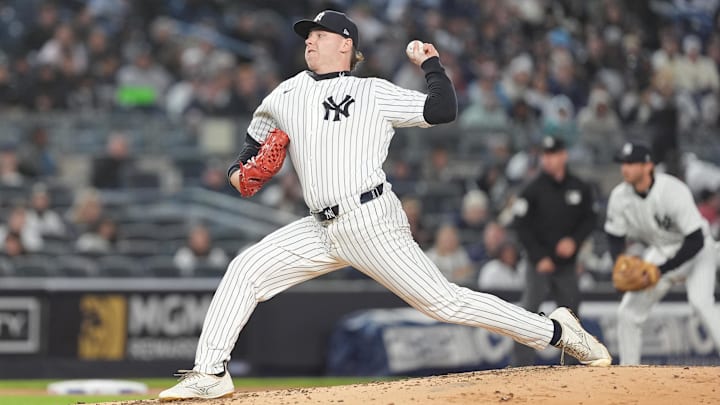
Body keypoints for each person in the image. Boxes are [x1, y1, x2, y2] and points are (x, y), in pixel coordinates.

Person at [159, 10, 611, 400]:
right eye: (306, 36)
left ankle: (556, 332)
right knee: (244, 270)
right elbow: (250, 147)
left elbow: (441, 110)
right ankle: (210, 374)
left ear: (345, 44)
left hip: (371, 219)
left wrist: (432, 63)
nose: (310, 41)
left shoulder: (372, 91)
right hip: (320, 228)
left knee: (445, 304)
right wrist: (240, 172)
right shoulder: (285, 94)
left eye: (318, 35)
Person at [604, 141, 720, 365]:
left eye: (631, 163)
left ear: (648, 166)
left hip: (697, 251)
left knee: (700, 303)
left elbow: (695, 240)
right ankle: (629, 373)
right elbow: (614, 236)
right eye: (623, 163)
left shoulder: (672, 190)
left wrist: (660, 269)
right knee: (627, 313)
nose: (625, 168)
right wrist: (619, 262)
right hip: (660, 250)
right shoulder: (619, 197)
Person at [511, 136, 597, 366]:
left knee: (571, 316)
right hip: (538, 264)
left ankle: (570, 367)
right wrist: (539, 257)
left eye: (552, 155)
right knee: (528, 314)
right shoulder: (532, 189)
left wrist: (575, 241)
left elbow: (590, 219)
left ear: (564, 155)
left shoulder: (579, 187)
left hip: (566, 265)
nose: (547, 160)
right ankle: (520, 366)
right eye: (544, 155)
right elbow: (520, 225)